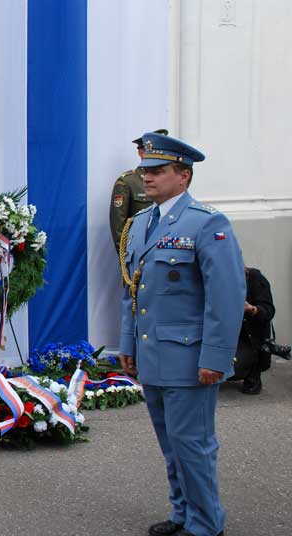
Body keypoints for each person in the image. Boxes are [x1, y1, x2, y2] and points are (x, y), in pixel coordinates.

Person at [118, 132, 245, 536]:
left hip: (190, 360)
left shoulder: (206, 223)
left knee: (193, 445)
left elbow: (225, 297)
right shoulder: (141, 223)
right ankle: (182, 514)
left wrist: (216, 357)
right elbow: (132, 291)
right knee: (171, 446)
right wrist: (127, 344)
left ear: (183, 176)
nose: (147, 178)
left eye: (158, 171)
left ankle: (206, 524)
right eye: (145, 171)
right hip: (153, 354)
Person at [109, 129, 168, 254]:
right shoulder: (128, 182)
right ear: (141, 153)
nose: (157, 158)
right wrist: (127, 258)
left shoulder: (170, 181)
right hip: (139, 253)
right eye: (151, 152)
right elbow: (119, 226)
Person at [230, 266, 275, 394]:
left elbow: (268, 311)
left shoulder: (254, 278)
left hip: (248, 336)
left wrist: (251, 309)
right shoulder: (213, 280)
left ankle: (253, 371)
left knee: (236, 367)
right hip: (226, 333)